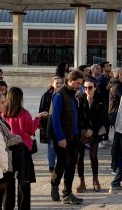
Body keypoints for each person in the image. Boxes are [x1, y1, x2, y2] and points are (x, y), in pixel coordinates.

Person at [3, 87, 45, 209]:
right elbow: (31, 130)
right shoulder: (24, 113)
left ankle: (7, 207)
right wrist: (38, 118)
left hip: (8, 151)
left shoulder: (3, 113)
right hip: (23, 151)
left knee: (9, 183)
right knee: (24, 181)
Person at [49, 70, 85, 205]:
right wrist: (60, 138)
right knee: (62, 163)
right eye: (77, 83)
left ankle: (67, 193)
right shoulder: (59, 95)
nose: (79, 86)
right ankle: (54, 184)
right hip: (63, 137)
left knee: (71, 165)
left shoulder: (72, 94)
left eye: (80, 84)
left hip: (74, 136)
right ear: (70, 81)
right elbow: (55, 118)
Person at [0, 92, 23, 210]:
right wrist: (18, 138)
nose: (5, 105)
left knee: (8, 193)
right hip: (2, 163)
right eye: (2, 102)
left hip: (8, 161)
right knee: (3, 195)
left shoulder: (0, 118)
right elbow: (2, 143)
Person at [76, 78, 107, 193]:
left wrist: (93, 130)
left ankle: (95, 180)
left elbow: (103, 116)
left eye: (90, 87)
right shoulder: (80, 99)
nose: (87, 90)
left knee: (93, 156)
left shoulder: (100, 99)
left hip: (95, 131)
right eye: (85, 87)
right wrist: (84, 130)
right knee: (80, 157)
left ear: (94, 88)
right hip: (82, 132)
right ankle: (82, 182)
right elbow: (78, 117)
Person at [39, 76, 62, 172]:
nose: (59, 85)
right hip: (50, 124)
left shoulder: (63, 94)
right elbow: (42, 110)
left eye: (61, 83)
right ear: (52, 84)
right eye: (57, 83)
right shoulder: (46, 95)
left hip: (62, 124)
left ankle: (60, 165)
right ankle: (51, 166)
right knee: (52, 146)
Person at [107, 68, 122, 174]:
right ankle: (115, 166)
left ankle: (118, 164)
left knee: (119, 141)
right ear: (119, 75)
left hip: (116, 115)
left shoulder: (117, 84)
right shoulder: (117, 86)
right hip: (117, 115)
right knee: (118, 141)